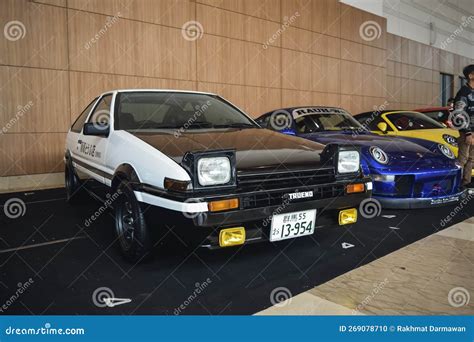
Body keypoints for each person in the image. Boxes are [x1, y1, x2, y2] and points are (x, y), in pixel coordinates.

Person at [453, 64, 474, 189]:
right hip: (466, 132)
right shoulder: (464, 92)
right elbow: (459, 114)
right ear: (470, 76)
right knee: (463, 159)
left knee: (471, 158)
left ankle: (467, 182)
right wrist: (467, 132)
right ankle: (457, 184)